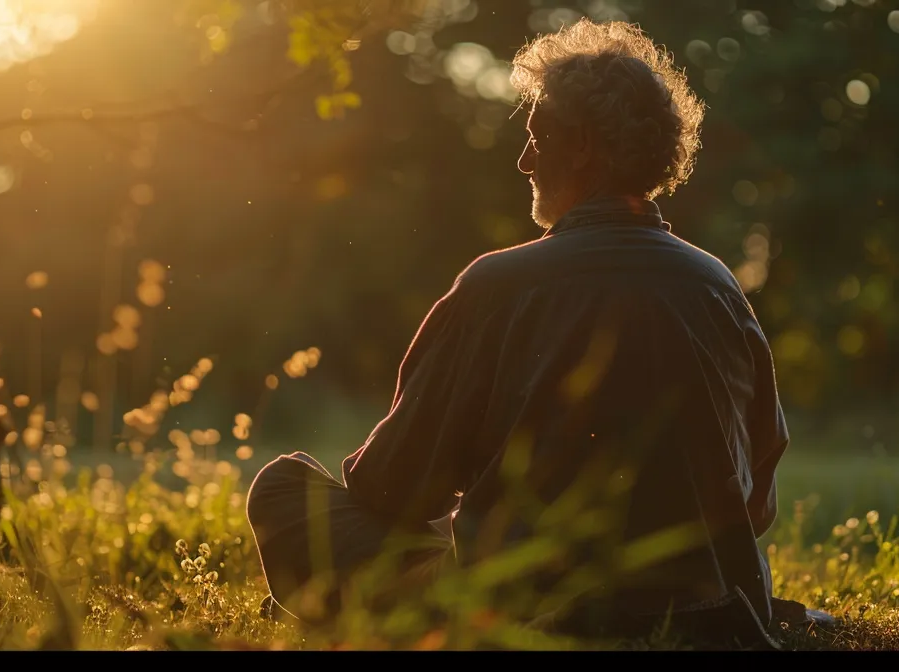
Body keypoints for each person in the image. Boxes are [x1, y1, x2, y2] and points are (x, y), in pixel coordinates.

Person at [245, 19, 795, 649]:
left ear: (583, 146)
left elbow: (391, 488)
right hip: (713, 613)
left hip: (522, 614)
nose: (524, 159)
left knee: (286, 487)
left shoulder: (499, 285)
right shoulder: (720, 287)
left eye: (537, 136)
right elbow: (757, 506)